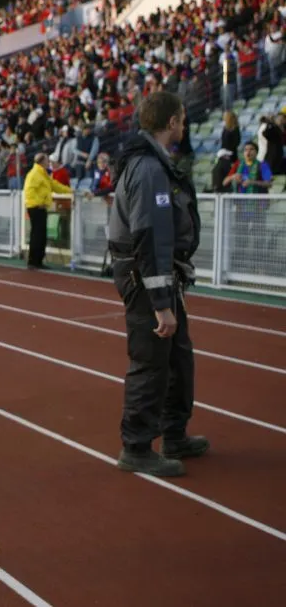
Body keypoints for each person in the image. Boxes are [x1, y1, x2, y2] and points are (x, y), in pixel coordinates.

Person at [107, 90, 205, 477]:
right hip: (147, 279)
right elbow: (150, 237)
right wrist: (161, 302)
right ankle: (136, 446)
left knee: (178, 359)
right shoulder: (148, 170)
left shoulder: (153, 163)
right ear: (171, 122)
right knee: (151, 362)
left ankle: (174, 433)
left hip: (157, 277)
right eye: (182, 119)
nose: (184, 125)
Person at [23, 153, 71, 269]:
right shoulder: (35, 174)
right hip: (36, 207)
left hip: (40, 207)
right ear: (41, 162)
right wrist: (39, 203)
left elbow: (54, 185)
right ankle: (33, 261)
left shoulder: (42, 174)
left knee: (40, 235)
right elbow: (29, 191)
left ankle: (37, 260)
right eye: (46, 161)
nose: (48, 163)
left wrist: (70, 191)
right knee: (37, 235)